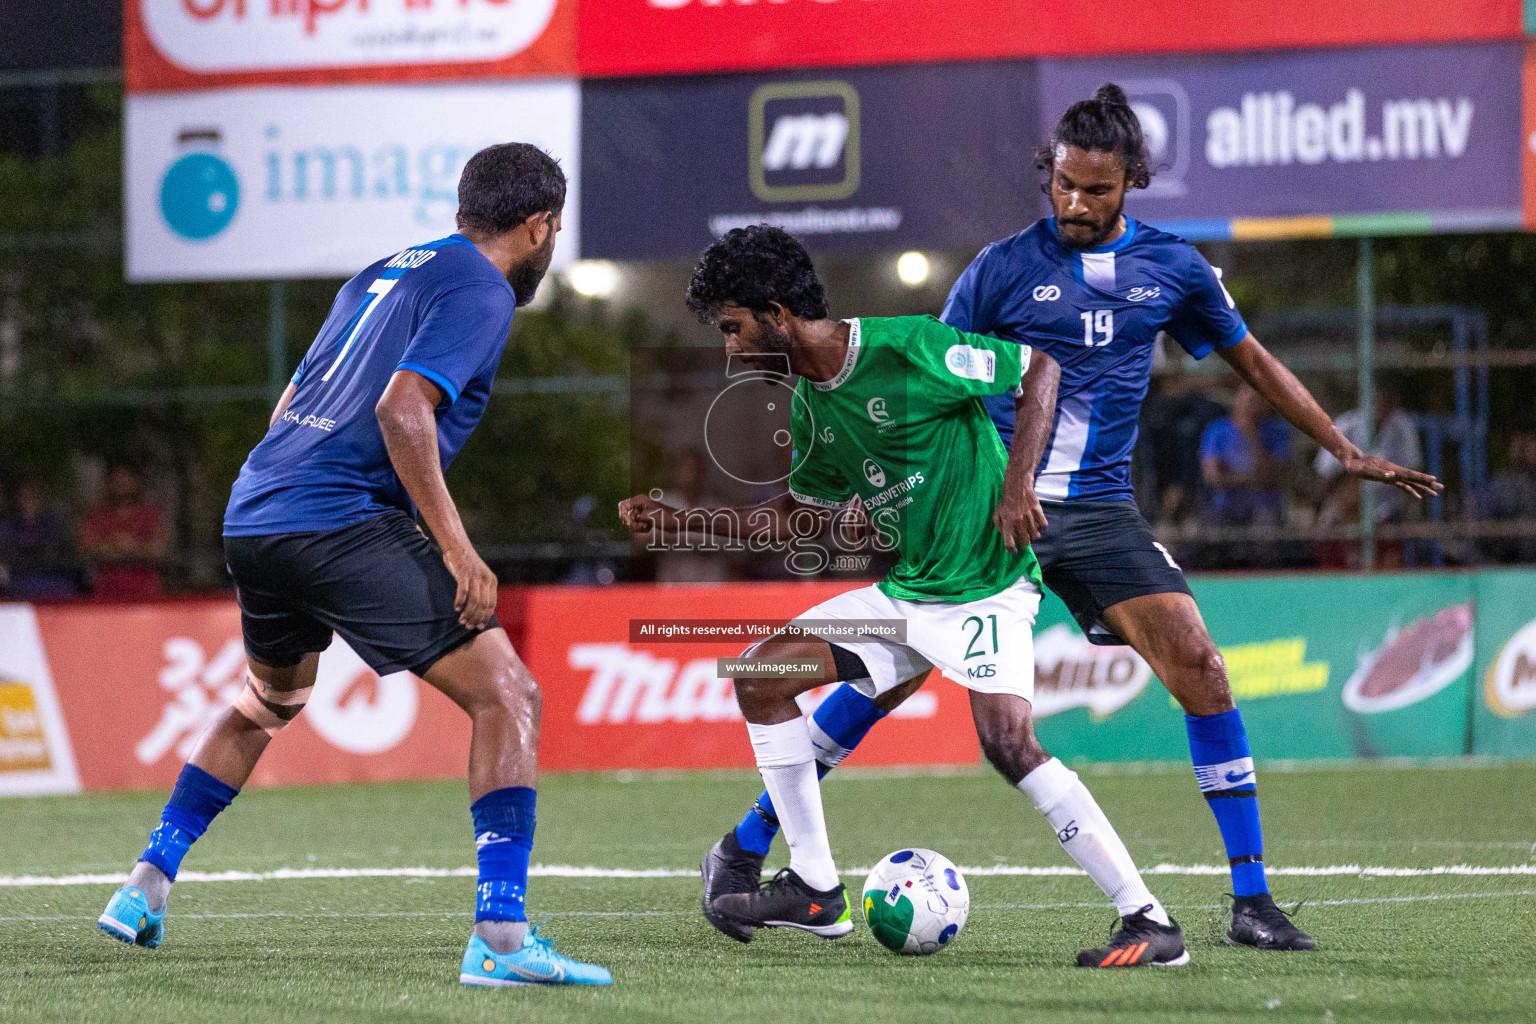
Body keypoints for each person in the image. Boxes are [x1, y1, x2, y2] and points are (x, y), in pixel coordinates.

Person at [705, 85, 1442, 954]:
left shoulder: (1175, 268)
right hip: (986, 513)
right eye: (1063, 185)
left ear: (1132, 181)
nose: (1076, 204)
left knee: (1200, 666)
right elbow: (924, 390)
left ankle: (1251, 901)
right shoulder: (1000, 268)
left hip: (1095, 513)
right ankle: (762, 847)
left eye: (1097, 190)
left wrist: (1339, 446)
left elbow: (1254, 361)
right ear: (1048, 175)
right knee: (878, 681)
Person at [96, 143, 611, 988]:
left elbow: (290, 402)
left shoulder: (382, 273)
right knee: (510, 694)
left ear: (460, 213)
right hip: (335, 519)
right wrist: (456, 548)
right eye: (550, 233)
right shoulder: (483, 288)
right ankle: (503, 939)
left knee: (269, 699)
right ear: (539, 225)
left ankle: (145, 885)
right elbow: (403, 408)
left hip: (258, 508)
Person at [622, 225, 1192, 968]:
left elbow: (1038, 369)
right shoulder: (809, 409)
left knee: (1009, 744)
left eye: (733, 328)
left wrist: (1018, 485)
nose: (730, 349)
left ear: (775, 312)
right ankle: (817, 889)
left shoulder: (909, 346)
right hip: (910, 595)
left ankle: (1149, 921)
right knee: (761, 676)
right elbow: (796, 518)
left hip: (987, 587)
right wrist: (689, 524)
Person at [1314, 378, 1424, 568]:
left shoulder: (1401, 427)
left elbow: (1414, 475)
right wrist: (1344, 493)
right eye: (1374, 398)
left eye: (1385, 400)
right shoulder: (1346, 425)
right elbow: (1324, 475)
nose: (1380, 404)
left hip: (1387, 510)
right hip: (1344, 507)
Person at [1198, 384, 1292, 567]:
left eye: (1257, 401)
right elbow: (1213, 478)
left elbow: (1271, 478)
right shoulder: (1217, 430)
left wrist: (1252, 436)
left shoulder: (1277, 432)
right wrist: (1248, 479)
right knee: (1211, 536)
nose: (1251, 406)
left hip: (1263, 505)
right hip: (1225, 506)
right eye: (1247, 400)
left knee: (1266, 534)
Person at [79, 465, 168, 599]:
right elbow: (86, 548)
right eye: (117, 478)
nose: (122, 483)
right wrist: (115, 545)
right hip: (105, 592)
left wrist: (132, 545)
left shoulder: (151, 514)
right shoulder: (97, 515)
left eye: (126, 478)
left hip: (145, 593)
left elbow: (159, 549)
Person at [0, 478, 79, 599]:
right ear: (18, 498)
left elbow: (63, 550)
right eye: (25, 495)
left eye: (34, 494)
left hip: (51, 575)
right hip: (18, 577)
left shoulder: (53, 523)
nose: (30, 499)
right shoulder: (7, 524)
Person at [1477, 429, 1536, 564]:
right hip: (1504, 564)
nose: (1523, 450)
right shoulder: (1498, 487)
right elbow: (1483, 530)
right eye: (1518, 444)